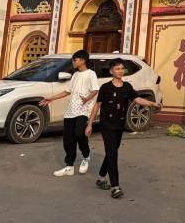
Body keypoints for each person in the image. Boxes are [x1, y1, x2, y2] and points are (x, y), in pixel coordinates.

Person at [87, 58, 161, 199]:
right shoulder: (105, 87)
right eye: (117, 69)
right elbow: (97, 105)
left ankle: (101, 178)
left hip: (119, 125)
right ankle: (115, 187)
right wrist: (90, 124)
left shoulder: (127, 87)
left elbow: (137, 99)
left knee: (111, 152)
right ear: (111, 71)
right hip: (106, 125)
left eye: (122, 68)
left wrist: (152, 103)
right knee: (113, 155)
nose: (120, 71)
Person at [39, 49, 100, 176]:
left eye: (75, 60)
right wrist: (51, 98)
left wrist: (87, 99)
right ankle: (69, 166)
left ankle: (86, 156)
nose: (73, 62)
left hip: (84, 110)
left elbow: (95, 90)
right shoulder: (75, 75)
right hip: (70, 111)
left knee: (79, 134)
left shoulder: (91, 74)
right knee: (68, 140)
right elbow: (68, 91)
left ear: (82, 60)